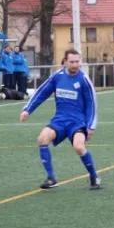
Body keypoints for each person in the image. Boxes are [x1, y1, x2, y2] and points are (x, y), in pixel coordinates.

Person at [20, 48, 101, 190]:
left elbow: (91, 104)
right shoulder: (57, 76)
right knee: (42, 139)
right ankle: (51, 178)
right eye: (72, 62)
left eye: (77, 61)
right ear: (64, 62)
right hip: (59, 120)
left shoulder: (84, 80)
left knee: (79, 147)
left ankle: (94, 176)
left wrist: (91, 126)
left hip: (78, 122)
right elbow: (42, 92)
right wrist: (28, 109)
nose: (75, 65)